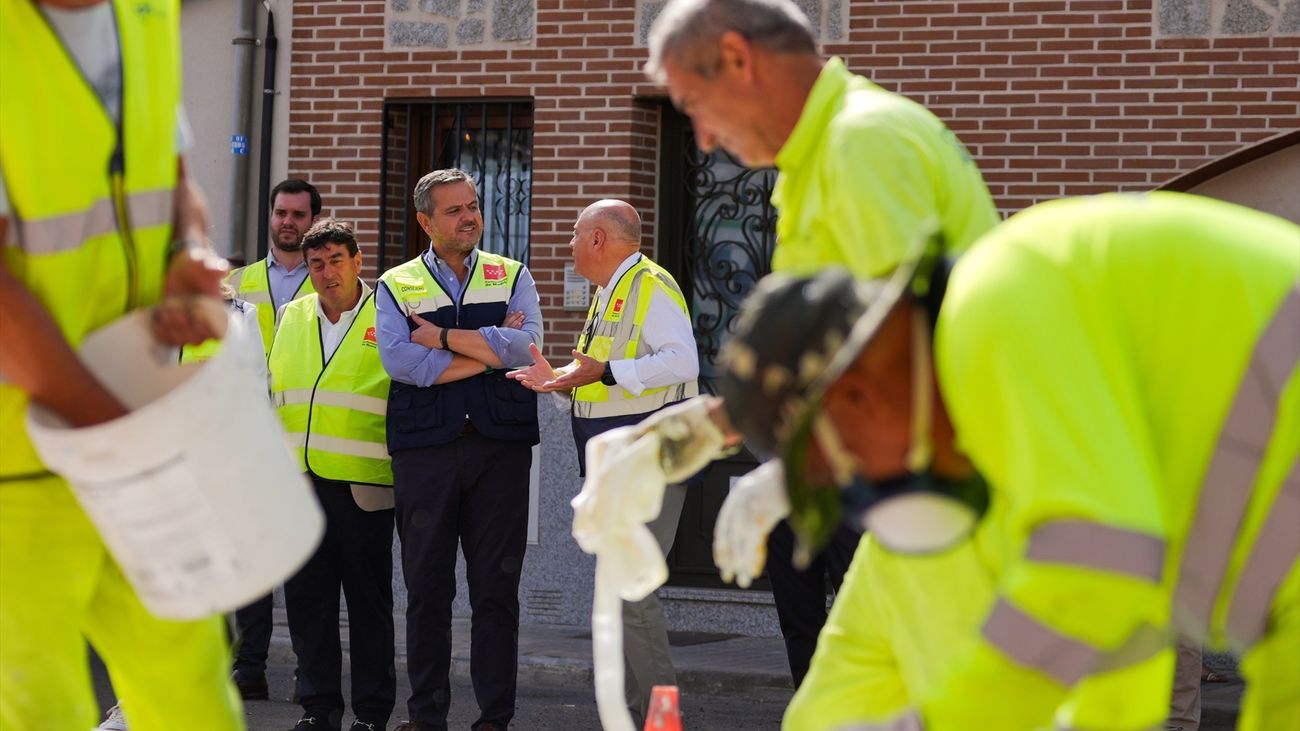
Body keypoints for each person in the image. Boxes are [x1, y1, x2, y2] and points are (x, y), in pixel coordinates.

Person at [715, 192, 1300, 731]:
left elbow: (1097, 577)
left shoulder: (997, 310)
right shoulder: (977, 402)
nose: (859, 488)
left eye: (839, 469)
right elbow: (863, 645)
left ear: (855, 397)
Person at [643, 0, 999, 688]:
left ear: (741, 61)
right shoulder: (818, 161)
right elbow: (828, 351)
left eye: (693, 103)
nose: (704, 139)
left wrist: (790, 467)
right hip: (908, 501)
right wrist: (690, 434)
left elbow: (905, 351)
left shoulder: (861, 146)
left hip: (950, 503)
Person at [0, 0, 244, 729]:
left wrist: (188, 253)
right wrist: (107, 417)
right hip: (21, 460)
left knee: (194, 694)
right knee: (40, 705)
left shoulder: (145, 15)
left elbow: (170, 177)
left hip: (131, 425)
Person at [507, 200, 700, 726]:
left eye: (574, 234)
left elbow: (683, 360)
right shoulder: (609, 292)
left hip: (649, 464)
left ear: (597, 239)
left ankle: (660, 718)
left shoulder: (649, 284)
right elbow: (603, 378)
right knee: (623, 596)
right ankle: (640, 717)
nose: (567, 244)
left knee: (631, 594)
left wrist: (605, 371)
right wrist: (561, 382)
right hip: (622, 468)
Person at [375, 168, 543, 731]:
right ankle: (427, 720)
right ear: (426, 221)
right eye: (455, 210)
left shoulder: (510, 273)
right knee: (427, 591)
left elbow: (528, 349)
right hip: (426, 452)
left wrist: (442, 338)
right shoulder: (396, 284)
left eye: (473, 205)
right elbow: (402, 363)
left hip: (500, 449)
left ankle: (495, 720)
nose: (470, 216)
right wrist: (491, 349)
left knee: (497, 590)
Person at [269, 219, 396, 731]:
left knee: (368, 604)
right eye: (316, 264)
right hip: (298, 486)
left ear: (358, 261)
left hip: (362, 485)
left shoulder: (389, 313)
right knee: (307, 604)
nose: (326, 273)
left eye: (336, 261)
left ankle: (371, 713)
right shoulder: (290, 315)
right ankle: (318, 708)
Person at [225, 176, 321, 699]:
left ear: (314, 222)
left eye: (299, 215)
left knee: (307, 570)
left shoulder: (333, 280)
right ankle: (249, 667)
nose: (288, 222)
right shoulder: (237, 283)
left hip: (308, 444)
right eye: (281, 213)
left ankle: (311, 671)